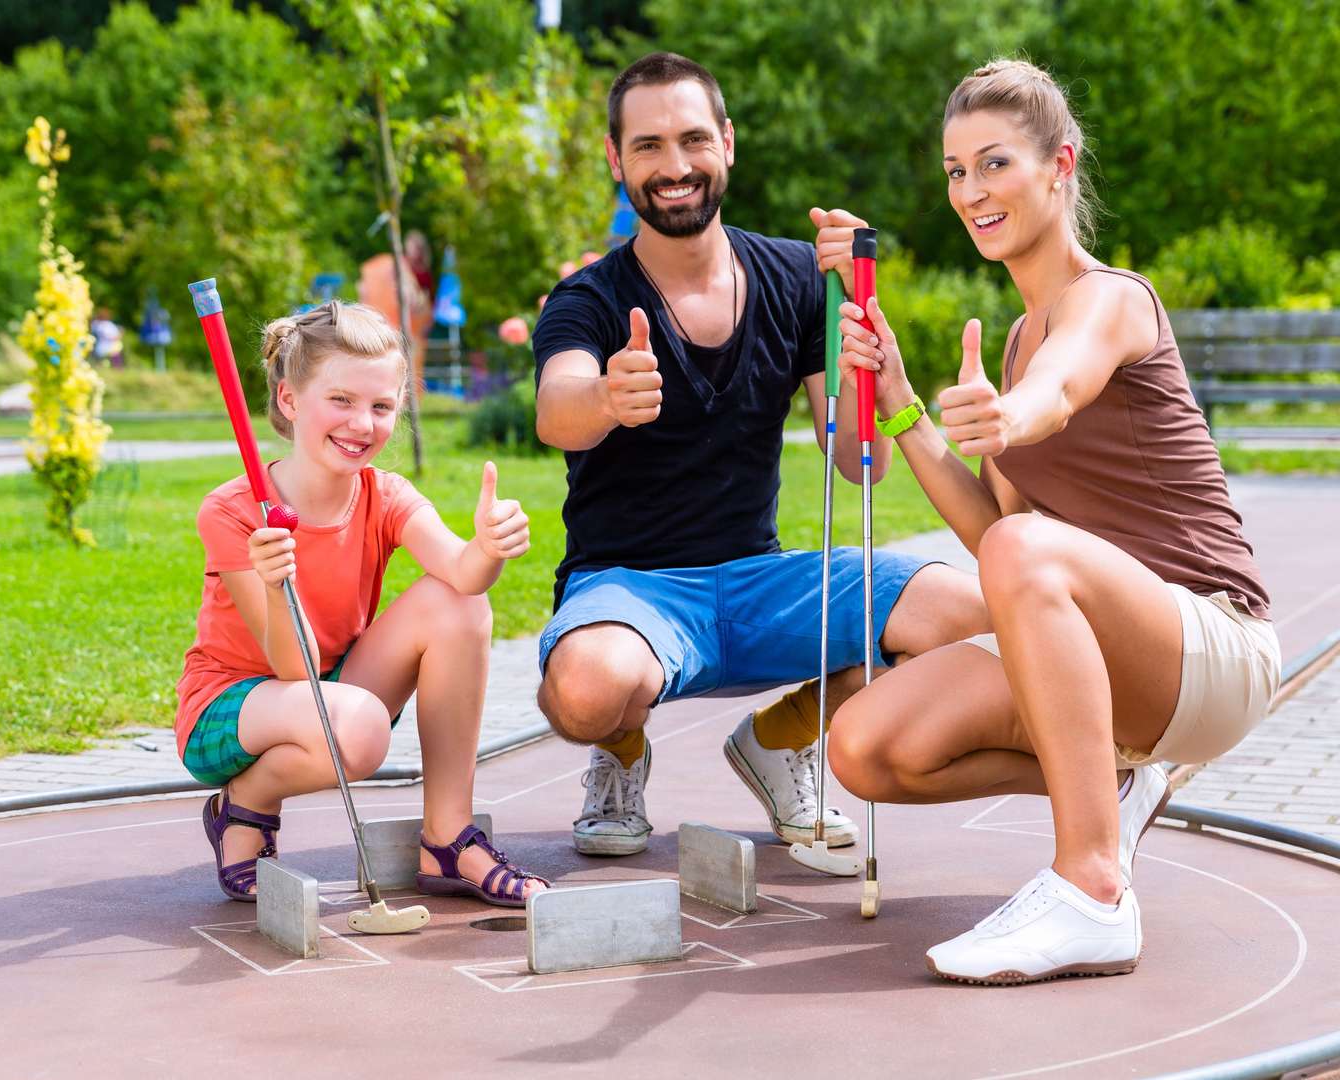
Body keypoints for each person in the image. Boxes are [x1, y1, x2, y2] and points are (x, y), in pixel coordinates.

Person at [816, 59, 1280, 984]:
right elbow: (1001, 529)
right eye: (955, 171)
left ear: (1059, 165)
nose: (971, 191)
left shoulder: (1111, 300)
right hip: (1114, 655)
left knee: (1024, 555)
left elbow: (1059, 393)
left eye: (994, 164)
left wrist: (1013, 418)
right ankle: (1111, 787)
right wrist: (905, 406)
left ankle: (1093, 888)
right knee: (866, 748)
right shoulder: (1018, 337)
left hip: (1211, 643)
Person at [532, 52, 988, 857]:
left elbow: (862, 466)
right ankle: (622, 749)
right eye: (647, 147)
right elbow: (555, 410)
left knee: (973, 616)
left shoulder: (798, 277)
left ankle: (778, 738)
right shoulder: (589, 300)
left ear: (729, 143)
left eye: (692, 139)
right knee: (584, 692)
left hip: (763, 583)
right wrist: (605, 397)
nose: (674, 167)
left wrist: (870, 354)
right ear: (615, 158)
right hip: (632, 592)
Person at [174, 301, 546, 907]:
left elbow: (463, 574)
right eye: (341, 401)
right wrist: (274, 582)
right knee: (362, 730)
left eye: (381, 406)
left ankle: (448, 836)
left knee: (461, 606)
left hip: (332, 690)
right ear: (290, 400)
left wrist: (489, 547)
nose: (362, 424)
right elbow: (292, 670)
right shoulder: (231, 511)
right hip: (232, 707)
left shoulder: (387, 495)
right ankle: (246, 801)